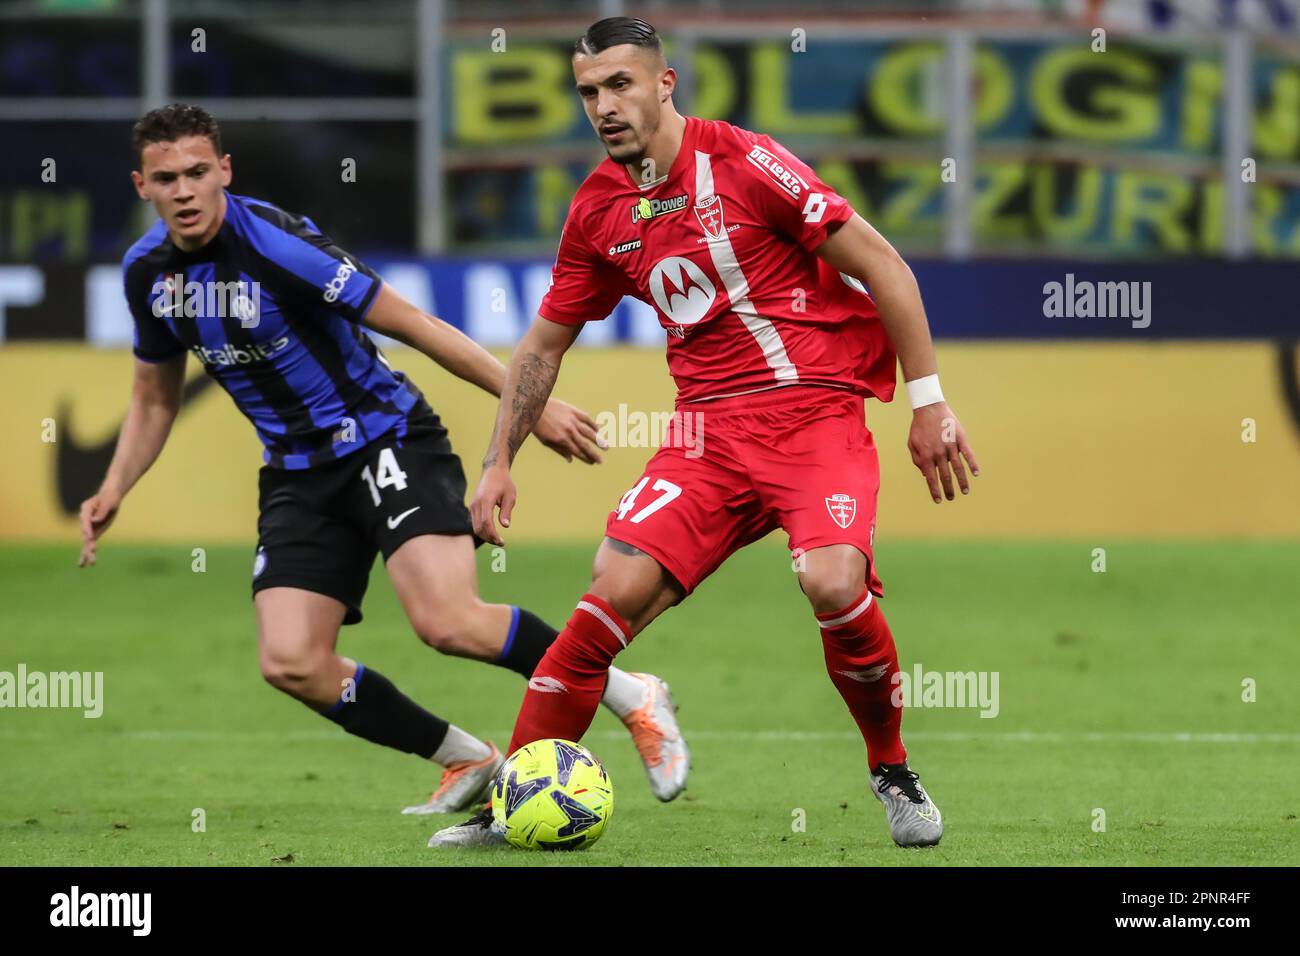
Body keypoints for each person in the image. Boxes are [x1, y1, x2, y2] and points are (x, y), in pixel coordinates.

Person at [435, 17, 979, 848]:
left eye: (620, 85)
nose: (604, 106)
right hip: (707, 438)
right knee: (603, 598)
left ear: (664, 83)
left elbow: (885, 267)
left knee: (834, 585)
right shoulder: (597, 211)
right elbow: (543, 343)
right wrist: (498, 460)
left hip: (814, 412)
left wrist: (930, 402)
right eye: (588, 92)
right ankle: (515, 800)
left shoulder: (746, 162)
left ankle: (892, 769)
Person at [79, 103, 691, 828]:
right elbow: (154, 395)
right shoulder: (148, 272)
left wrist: (533, 406)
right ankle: (468, 757)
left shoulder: (280, 245)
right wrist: (114, 485)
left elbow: (419, 327)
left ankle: (632, 694)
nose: (183, 190)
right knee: (292, 662)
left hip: (388, 439)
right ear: (141, 185)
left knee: (451, 622)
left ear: (225, 171)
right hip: (298, 474)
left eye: (197, 173)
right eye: (165, 178)